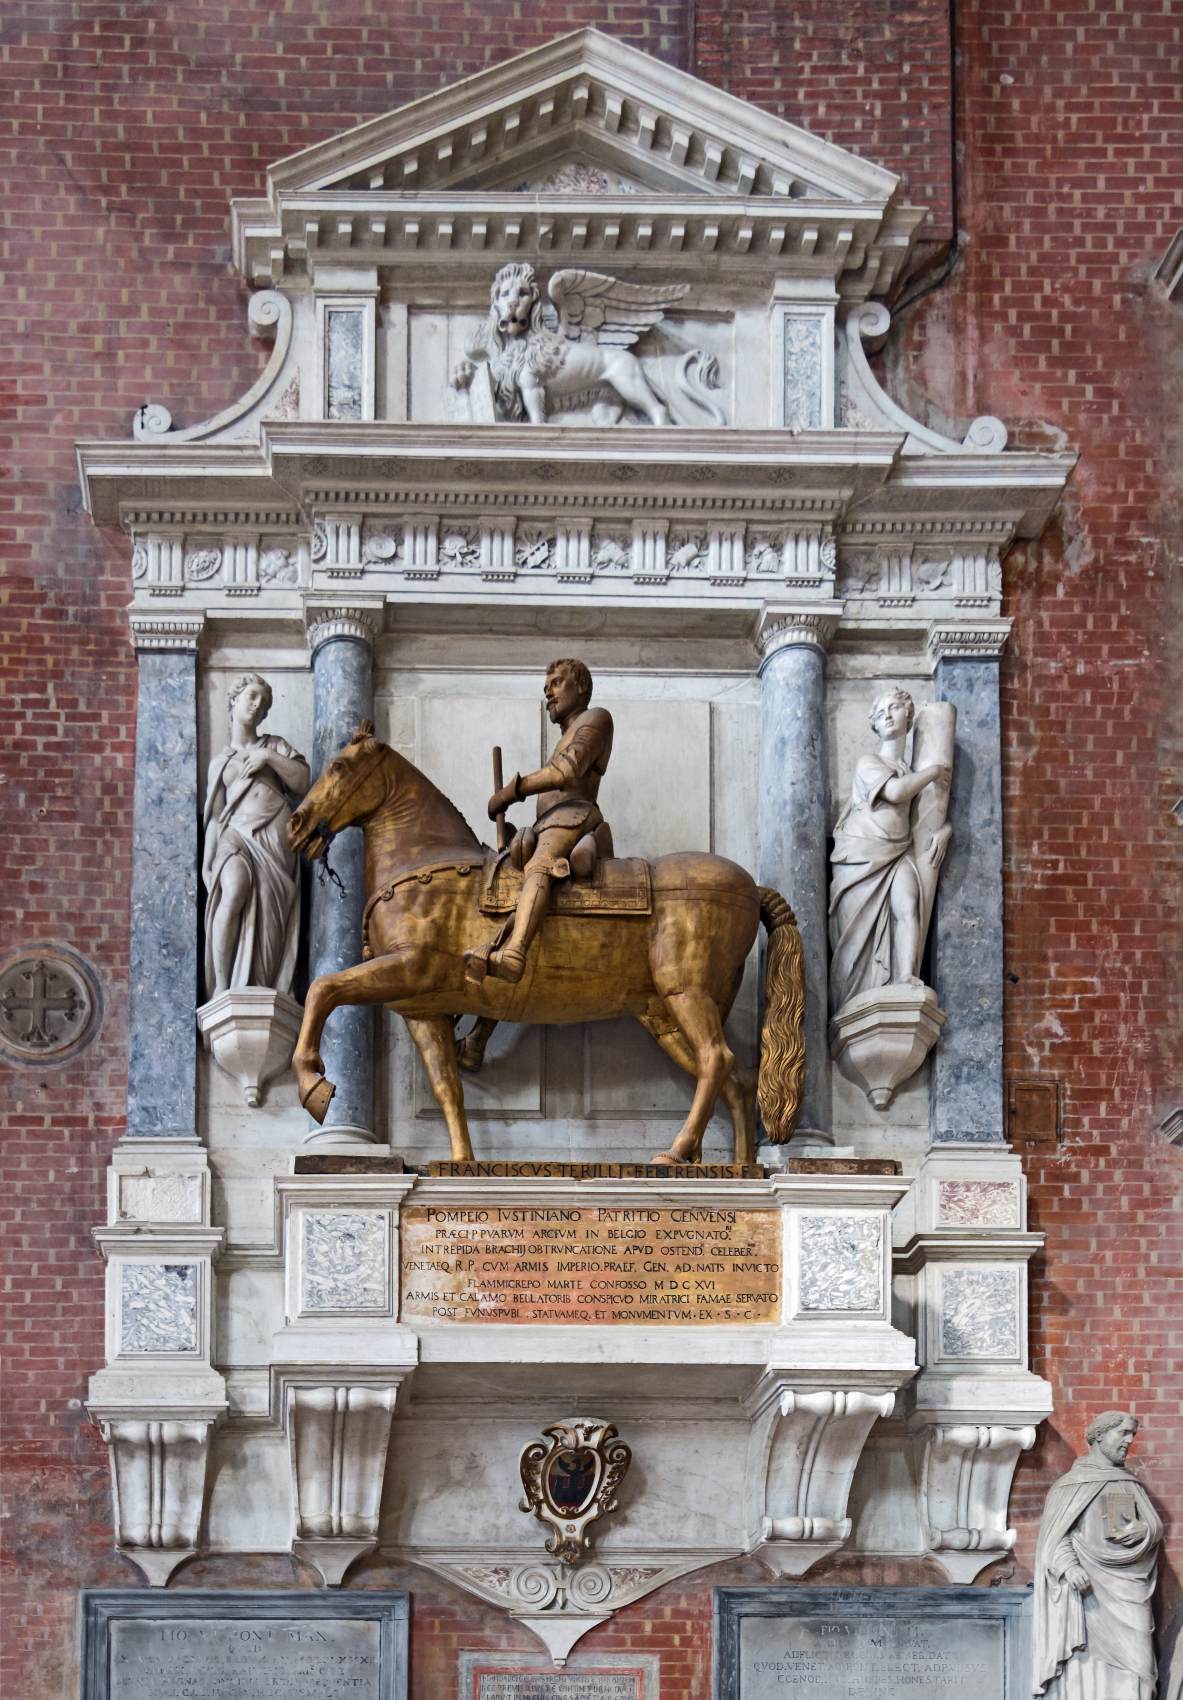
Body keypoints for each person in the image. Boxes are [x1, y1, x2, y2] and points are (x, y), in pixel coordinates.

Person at [479, 658, 614, 985]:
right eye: (545, 688)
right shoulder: (569, 732)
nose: (549, 694)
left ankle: (514, 955)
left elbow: (567, 772)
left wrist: (513, 791)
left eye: (556, 683)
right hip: (551, 823)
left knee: (539, 866)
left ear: (580, 686)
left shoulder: (596, 719)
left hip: (574, 816)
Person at [828, 686, 951, 1011]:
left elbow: (924, 818)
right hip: (862, 858)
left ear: (908, 716)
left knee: (908, 905)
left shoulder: (912, 772)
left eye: (895, 707)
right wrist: (934, 771)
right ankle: (853, 1001)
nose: (887, 713)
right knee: (857, 935)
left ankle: (905, 977)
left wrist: (945, 830)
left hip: (899, 852)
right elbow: (896, 793)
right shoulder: (869, 763)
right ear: (873, 723)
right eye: (881, 710)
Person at [1033, 1411, 1162, 1699]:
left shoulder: (1128, 1483)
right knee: (1087, 1655)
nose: (1129, 1441)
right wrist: (1069, 1567)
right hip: (1089, 1587)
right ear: (1100, 1435)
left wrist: (1144, 1530)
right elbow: (1054, 1538)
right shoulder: (1070, 1485)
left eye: (1132, 1435)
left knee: (1139, 1660)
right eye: (1123, 1433)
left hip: (1129, 1586)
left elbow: (1154, 1526)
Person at [202, 673, 310, 999]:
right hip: (235, 836)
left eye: (263, 703)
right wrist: (207, 866)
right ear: (234, 700)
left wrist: (268, 758)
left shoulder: (274, 746)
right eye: (251, 696)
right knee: (233, 891)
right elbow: (214, 819)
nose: (257, 704)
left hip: (275, 839)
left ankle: (262, 985)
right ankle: (222, 986)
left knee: (270, 919)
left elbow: (302, 782)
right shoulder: (220, 762)